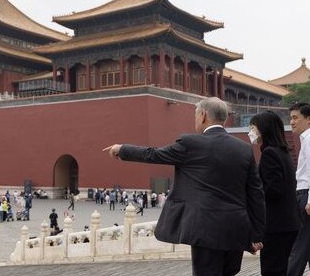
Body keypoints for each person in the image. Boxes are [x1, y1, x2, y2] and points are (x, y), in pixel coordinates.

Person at [103, 97, 266, 276]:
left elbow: (153, 154)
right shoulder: (243, 149)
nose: (195, 119)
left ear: (203, 115)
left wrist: (122, 149)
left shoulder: (191, 144)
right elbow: (255, 193)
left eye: (196, 115)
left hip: (205, 229)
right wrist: (257, 234)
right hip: (235, 227)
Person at [249, 111, 300, 275]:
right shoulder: (283, 152)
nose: (251, 132)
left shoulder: (269, 153)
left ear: (264, 130)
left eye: (253, 128)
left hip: (276, 226)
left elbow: (274, 189)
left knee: (272, 269)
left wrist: (254, 193)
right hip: (288, 224)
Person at [288, 102, 310, 276]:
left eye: (296, 118)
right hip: (303, 195)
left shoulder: (309, 139)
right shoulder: (305, 139)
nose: (292, 122)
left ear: (308, 120)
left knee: (301, 245)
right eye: (291, 118)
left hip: (306, 196)